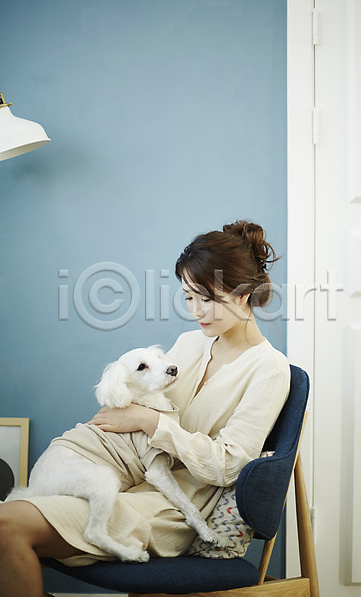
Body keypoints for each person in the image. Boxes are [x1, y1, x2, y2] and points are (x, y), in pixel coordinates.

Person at [0, 220, 290, 597]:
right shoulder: (190, 343)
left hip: (173, 508)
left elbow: (231, 464)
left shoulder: (269, 368)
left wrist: (151, 422)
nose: (196, 310)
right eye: (188, 297)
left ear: (243, 293)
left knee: (7, 525)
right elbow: (142, 395)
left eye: (207, 298)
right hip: (124, 483)